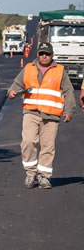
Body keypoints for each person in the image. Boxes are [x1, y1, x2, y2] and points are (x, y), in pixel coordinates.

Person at [7, 42, 77, 189]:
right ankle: (30, 174)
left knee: (47, 146)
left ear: (52, 55)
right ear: (37, 54)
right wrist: (12, 91)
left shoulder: (60, 71)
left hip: (51, 115)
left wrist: (69, 111)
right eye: (41, 53)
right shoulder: (28, 69)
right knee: (28, 142)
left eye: (47, 54)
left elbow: (68, 91)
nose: (44, 56)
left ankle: (44, 177)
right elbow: (17, 84)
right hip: (31, 112)